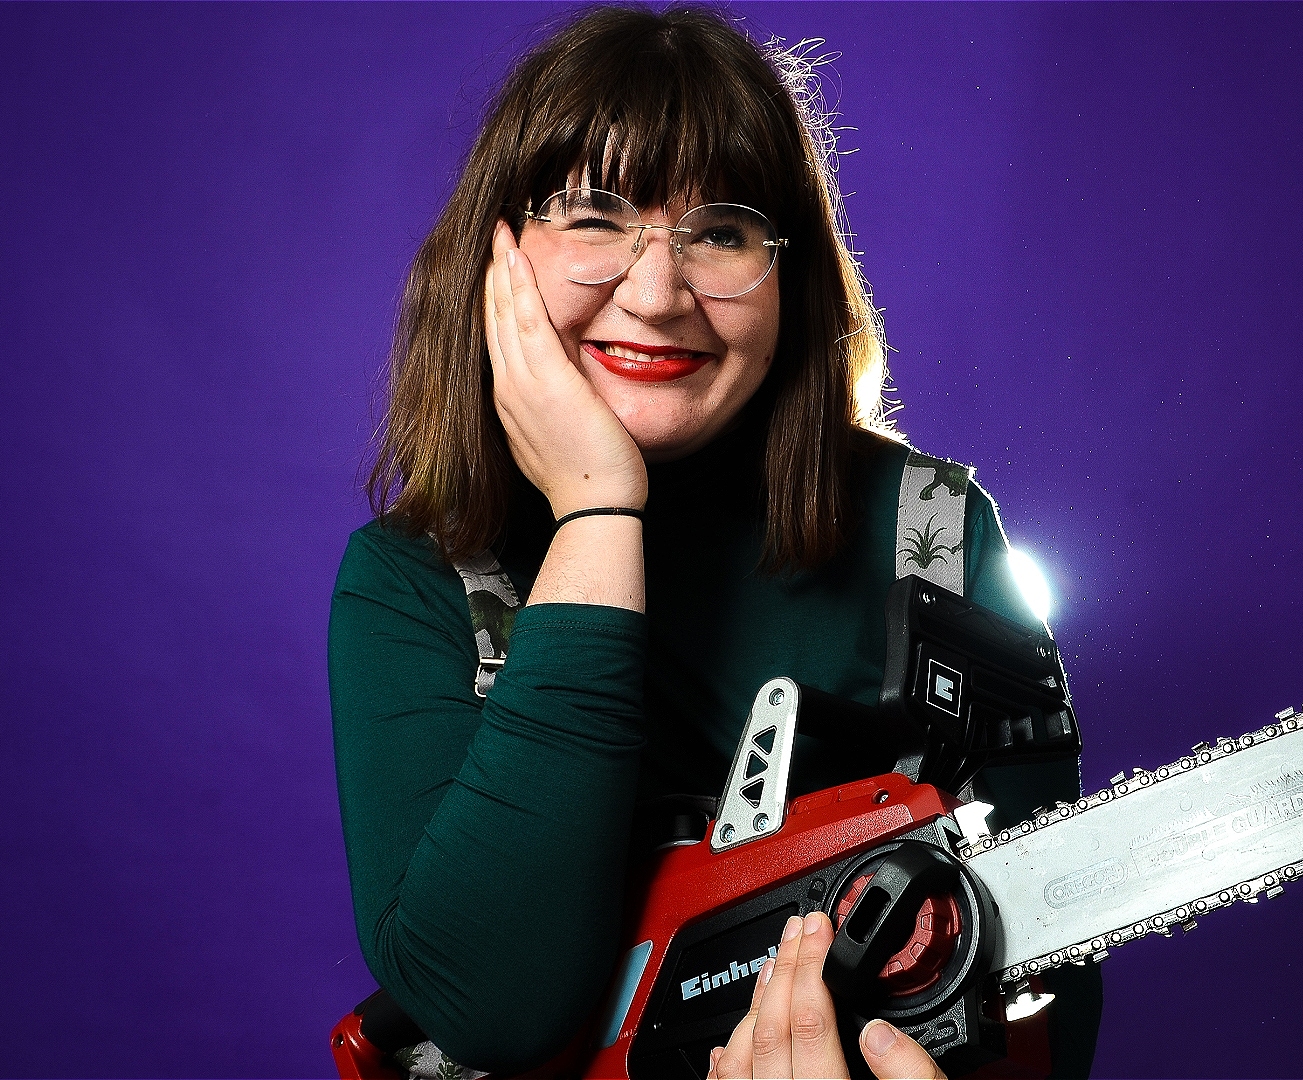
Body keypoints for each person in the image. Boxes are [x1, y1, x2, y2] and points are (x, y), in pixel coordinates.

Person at [329, 7, 1101, 1077]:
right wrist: (598, 511)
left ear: (789, 273)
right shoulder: (414, 579)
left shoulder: (929, 534)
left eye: (722, 232)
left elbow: (1049, 976)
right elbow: (493, 1006)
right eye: (594, 218)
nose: (656, 296)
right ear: (496, 256)